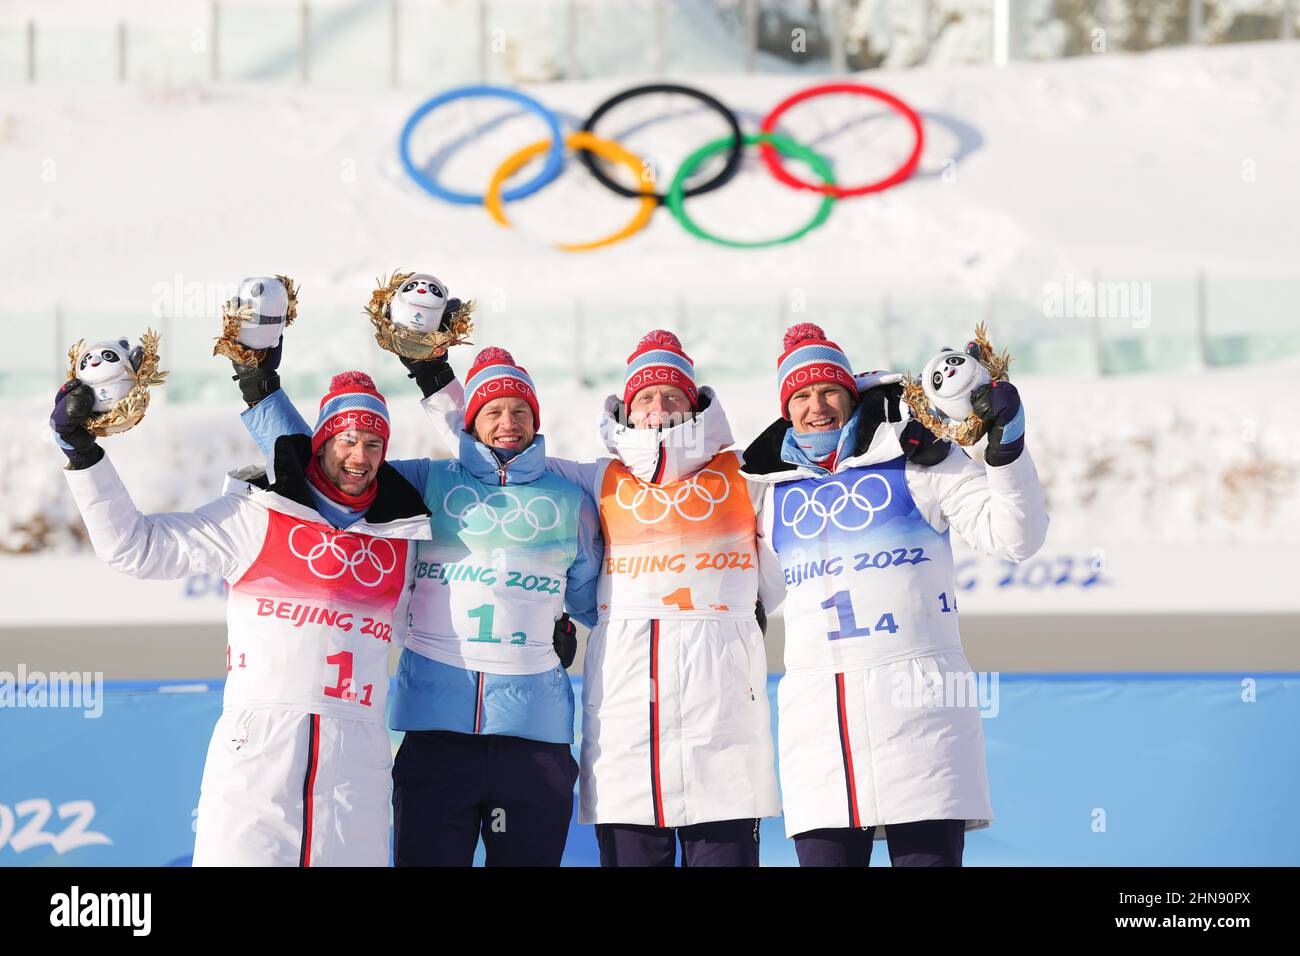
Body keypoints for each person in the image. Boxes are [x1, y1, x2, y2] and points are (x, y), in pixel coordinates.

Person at [406, 329, 783, 867]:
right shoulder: (599, 478)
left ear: (695, 401)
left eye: (671, 394)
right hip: (627, 725)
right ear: (628, 409)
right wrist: (434, 378)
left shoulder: (745, 474)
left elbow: (811, 506)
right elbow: (495, 456)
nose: (658, 407)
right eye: (646, 397)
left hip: (720, 720)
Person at [239, 343, 600, 866]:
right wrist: (260, 390)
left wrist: (564, 623)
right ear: (469, 420)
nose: (508, 422)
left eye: (521, 410)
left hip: (534, 738)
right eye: (493, 411)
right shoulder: (427, 483)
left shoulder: (569, 500)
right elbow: (331, 469)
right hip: (436, 733)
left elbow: (596, 602)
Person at [52, 371, 429, 866]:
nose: (360, 456)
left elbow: (433, 628)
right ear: (320, 444)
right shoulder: (255, 516)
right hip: (259, 752)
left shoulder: (400, 539)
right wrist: (83, 455)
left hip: (357, 761)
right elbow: (135, 548)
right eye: (347, 440)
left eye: (374, 443)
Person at [740, 323, 1049, 867]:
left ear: (851, 394)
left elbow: (1016, 537)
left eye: (829, 391)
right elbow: (743, 594)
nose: (818, 408)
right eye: (802, 396)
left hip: (921, 721)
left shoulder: (918, 458)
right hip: (820, 734)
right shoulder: (768, 491)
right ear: (786, 409)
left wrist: (1007, 449)